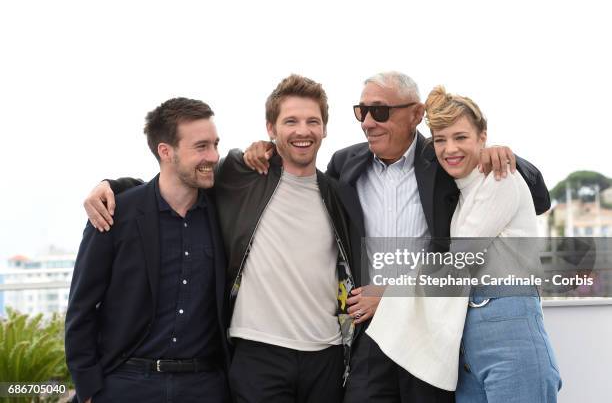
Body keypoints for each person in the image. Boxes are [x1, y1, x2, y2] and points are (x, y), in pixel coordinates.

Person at [243, 71, 551, 403]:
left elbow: (533, 197)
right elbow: (303, 186)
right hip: (373, 332)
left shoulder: (444, 161)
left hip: (430, 332)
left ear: (416, 114)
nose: (368, 122)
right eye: (362, 111)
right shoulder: (345, 164)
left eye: (380, 111)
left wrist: (509, 157)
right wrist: (269, 149)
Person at [82, 75, 363, 403]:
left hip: (326, 354)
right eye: (291, 121)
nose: (303, 130)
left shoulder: (340, 195)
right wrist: (113, 185)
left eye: (312, 121)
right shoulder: (239, 177)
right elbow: (173, 181)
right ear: (271, 129)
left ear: (325, 129)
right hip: (257, 354)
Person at [377, 85, 559, 402]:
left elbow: (458, 259)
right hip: (468, 337)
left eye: (460, 137)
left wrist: (386, 292)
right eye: (440, 140)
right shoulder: (463, 196)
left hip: (509, 325)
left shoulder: (500, 178)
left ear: (482, 136)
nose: (450, 149)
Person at [65, 98, 231, 403]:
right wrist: (88, 389)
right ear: (166, 151)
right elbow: (82, 307)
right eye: (201, 146)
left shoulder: (224, 211)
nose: (214, 156)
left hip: (204, 385)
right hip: (126, 383)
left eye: (215, 144)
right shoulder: (115, 214)